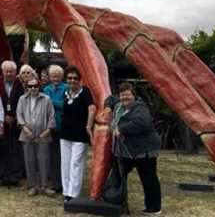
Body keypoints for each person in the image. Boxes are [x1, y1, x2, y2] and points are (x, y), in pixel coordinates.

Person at [107, 82, 162, 215]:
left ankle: (153, 208)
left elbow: (142, 122)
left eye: (127, 94)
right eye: (122, 94)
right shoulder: (118, 106)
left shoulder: (139, 107)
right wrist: (107, 107)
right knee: (117, 176)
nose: (125, 97)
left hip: (144, 150)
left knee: (148, 178)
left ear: (133, 95)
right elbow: (109, 99)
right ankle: (116, 201)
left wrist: (121, 129)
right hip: (125, 151)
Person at [59, 66, 96, 201]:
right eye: (69, 78)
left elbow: (92, 108)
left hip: (80, 135)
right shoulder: (65, 92)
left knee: (76, 163)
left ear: (79, 80)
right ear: (66, 80)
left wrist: (89, 125)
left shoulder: (85, 91)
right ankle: (66, 192)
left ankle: (73, 194)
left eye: (75, 78)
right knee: (66, 164)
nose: (72, 80)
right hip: (65, 134)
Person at [17, 74, 56, 196]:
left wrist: (48, 130)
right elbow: (19, 115)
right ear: (27, 87)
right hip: (26, 134)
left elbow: (52, 116)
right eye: (30, 86)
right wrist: (24, 128)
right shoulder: (22, 99)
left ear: (39, 86)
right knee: (29, 160)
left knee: (44, 160)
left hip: (43, 134)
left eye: (35, 86)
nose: (33, 88)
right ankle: (32, 186)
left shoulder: (47, 99)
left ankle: (44, 186)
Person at [0, 60, 25, 186]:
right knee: (2, 148)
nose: (8, 74)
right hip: (1, 121)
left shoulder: (19, 84)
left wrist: (15, 117)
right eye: (6, 71)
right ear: (2, 72)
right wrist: (3, 117)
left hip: (15, 121)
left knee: (16, 149)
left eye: (11, 71)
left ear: (15, 72)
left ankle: (15, 176)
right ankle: (3, 175)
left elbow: (22, 103)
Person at [43, 64, 66, 192]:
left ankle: (62, 183)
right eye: (53, 76)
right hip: (49, 127)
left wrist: (51, 102)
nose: (55, 78)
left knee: (62, 156)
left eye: (58, 76)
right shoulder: (46, 89)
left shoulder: (66, 88)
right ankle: (55, 182)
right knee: (52, 156)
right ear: (50, 77)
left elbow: (65, 105)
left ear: (62, 77)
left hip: (62, 126)